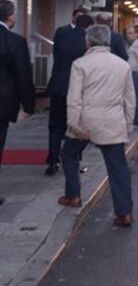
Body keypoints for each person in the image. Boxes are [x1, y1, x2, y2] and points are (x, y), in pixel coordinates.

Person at [58, 25, 136, 227]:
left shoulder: (80, 64)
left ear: (88, 41)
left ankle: (73, 195)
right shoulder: (122, 65)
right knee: (118, 167)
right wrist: (127, 125)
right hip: (113, 121)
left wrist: (74, 125)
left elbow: (74, 98)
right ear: (108, 41)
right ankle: (124, 213)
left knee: (68, 154)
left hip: (86, 120)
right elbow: (130, 99)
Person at [45, 13, 95, 176]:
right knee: (74, 126)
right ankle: (74, 163)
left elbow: (56, 57)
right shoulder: (87, 41)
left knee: (55, 126)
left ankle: (52, 161)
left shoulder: (61, 34)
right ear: (88, 27)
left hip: (58, 85)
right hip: (76, 88)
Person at [0, 0, 35, 207]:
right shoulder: (14, 41)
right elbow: (23, 76)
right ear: (11, 17)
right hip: (2, 104)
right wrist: (29, 106)